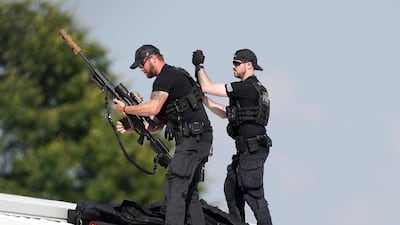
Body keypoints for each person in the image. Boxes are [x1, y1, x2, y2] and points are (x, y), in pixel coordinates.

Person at [113, 45, 213, 225]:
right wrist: (133, 127)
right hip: (197, 138)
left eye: (142, 64)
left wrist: (125, 109)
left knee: (174, 185)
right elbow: (157, 125)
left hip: (193, 138)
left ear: (153, 59)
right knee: (188, 191)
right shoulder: (174, 77)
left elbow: (153, 107)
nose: (141, 69)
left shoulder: (165, 78)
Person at [192, 49, 273, 225]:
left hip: (253, 150)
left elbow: (208, 87)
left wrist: (199, 66)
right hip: (246, 151)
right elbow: (224, 113)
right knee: (232, 190)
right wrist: (203, 99)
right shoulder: (249, 91)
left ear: (249, 65)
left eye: (237, 63)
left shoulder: (246, 87)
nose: (233, 66)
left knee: (253, 194)